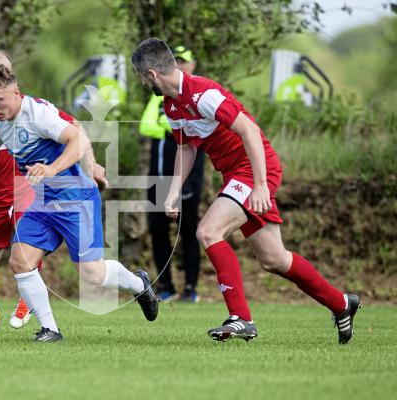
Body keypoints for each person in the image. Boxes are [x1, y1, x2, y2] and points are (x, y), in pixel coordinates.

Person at [131, 38, 360, 344]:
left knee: (208, 231)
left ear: (152, 74)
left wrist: (262, 184)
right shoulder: (171, 105)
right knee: (274, 259)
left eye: (141, 77)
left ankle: (241, 318)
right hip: (235, 175)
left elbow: (249, 130)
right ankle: (342, 304)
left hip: (254, 170)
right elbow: (186, 148)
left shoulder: (203, 94)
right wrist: (172, 192)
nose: (143, 83)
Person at [0, 64, 158, 342]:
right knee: (19, 261)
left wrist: (52, 169)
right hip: (43, 205)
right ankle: (50, 330)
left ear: (16, 94)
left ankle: (138, 283)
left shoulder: (38, 115)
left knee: (93, 274)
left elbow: (78, 140)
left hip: (75, 200)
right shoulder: (1, 126)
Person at [0, 51, 106, 330]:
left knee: (26, 252)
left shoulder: (33, 108)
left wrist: (92, 164)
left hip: (28, 189)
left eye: (4, 70)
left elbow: (75, 130)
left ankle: (34, 309)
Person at [139, 45, 205, 303]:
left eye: (184, 61)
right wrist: (168, 127)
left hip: (189, 173)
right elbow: (147, 126)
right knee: (157, 229)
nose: (180, 65)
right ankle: (165, 285)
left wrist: (170, 127)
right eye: (176, 60)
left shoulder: (195, 96)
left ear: (192, 65)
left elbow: (192, 134)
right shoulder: (160, 98)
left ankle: (191, 287)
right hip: (159, 175)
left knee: (188, 229)